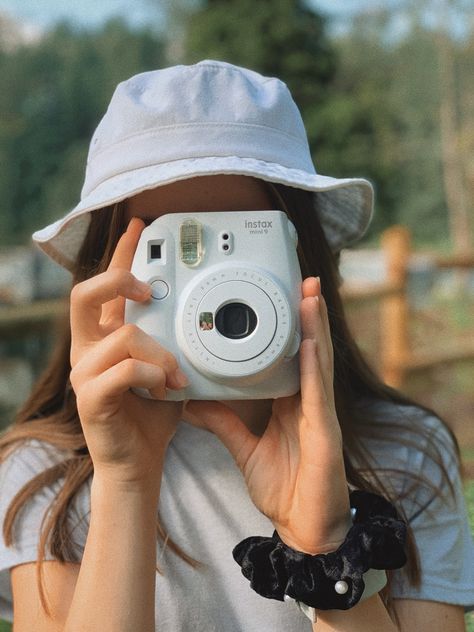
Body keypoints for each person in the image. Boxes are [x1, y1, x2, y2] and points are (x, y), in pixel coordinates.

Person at [0, 60, 473, 632]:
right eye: (172, 247)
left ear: (305, 255)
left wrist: (324, 550)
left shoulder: (405, 456)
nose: (212, 292)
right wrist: (127, 479)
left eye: (240, 241)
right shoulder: (48, 478)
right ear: (105, 276)